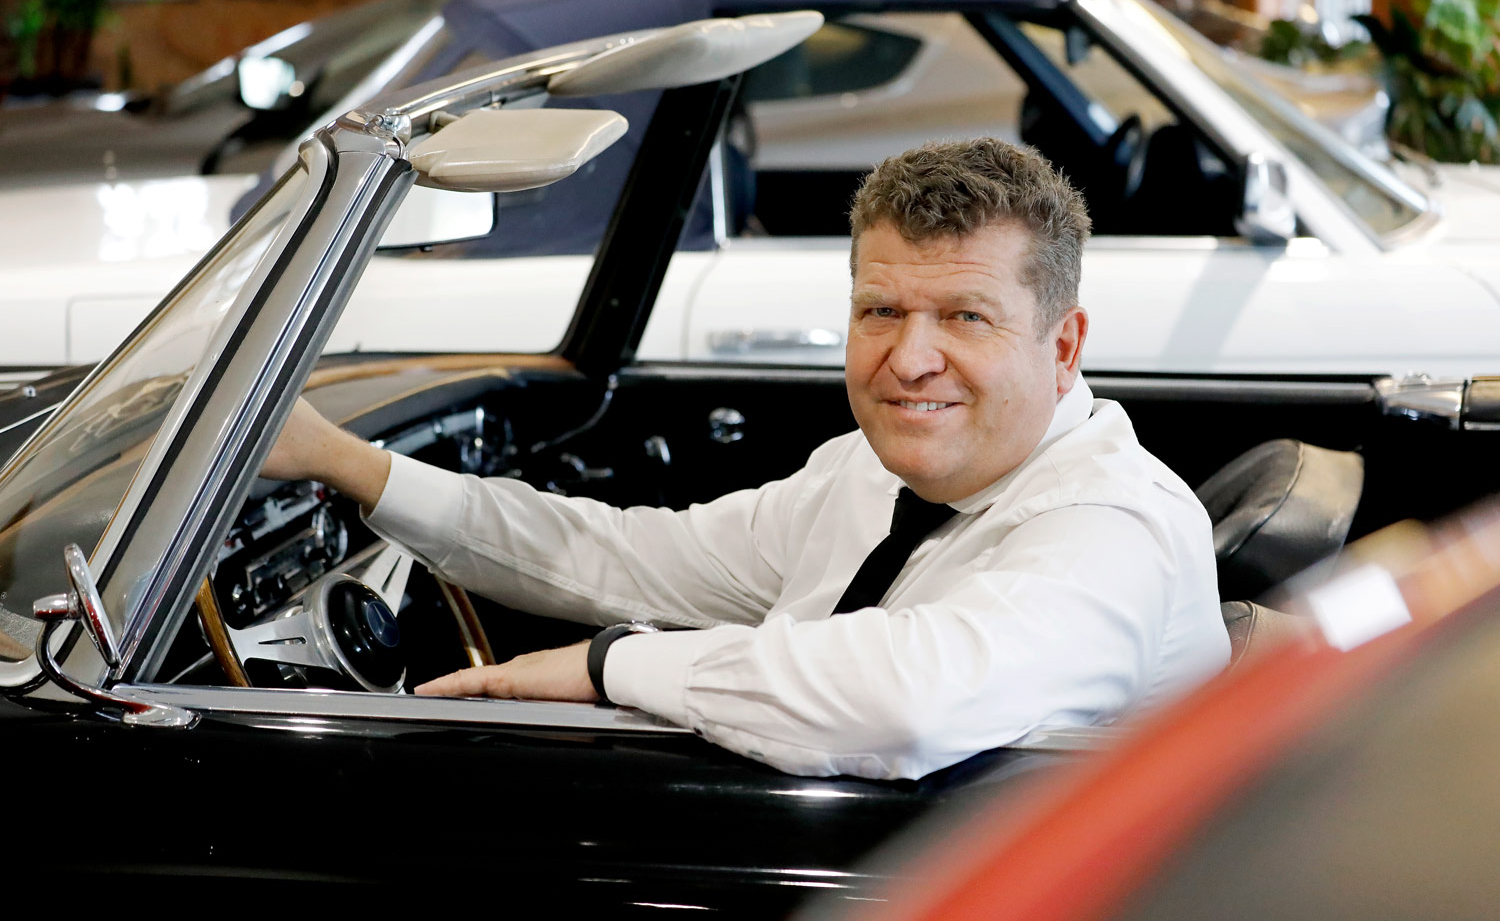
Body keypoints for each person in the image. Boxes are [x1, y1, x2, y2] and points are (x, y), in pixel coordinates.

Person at [264, 138, 1229, 780]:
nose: (910, 358)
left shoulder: (1113, 527)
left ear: (1064, 348)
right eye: (881, 311)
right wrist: (349, 464)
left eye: (965, 318)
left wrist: (612, 665)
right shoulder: (869, 473)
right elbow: (628, 558)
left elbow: (909, 703)